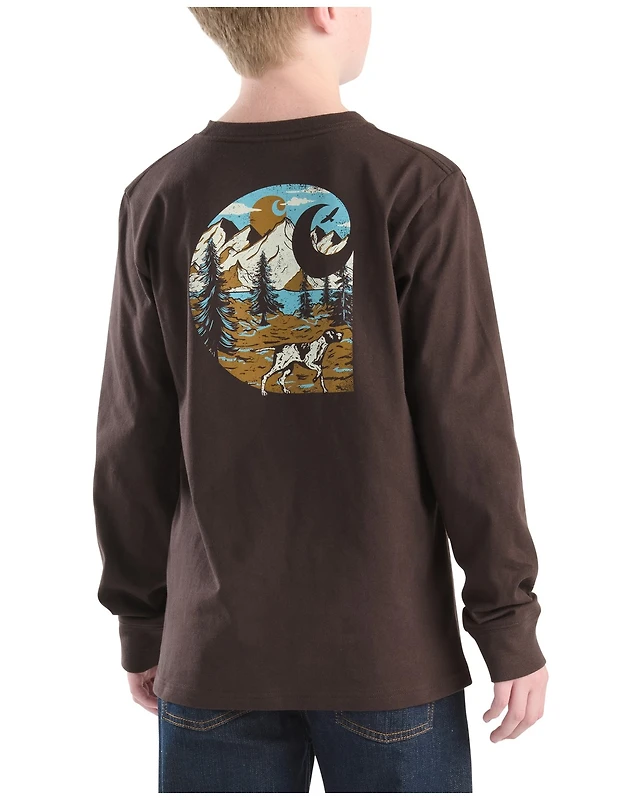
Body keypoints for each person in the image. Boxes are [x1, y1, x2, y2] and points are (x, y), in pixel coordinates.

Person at [93, 6, 548, 793]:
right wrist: (507, 622)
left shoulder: (159, 194)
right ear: (325, 8)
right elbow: (469, 427)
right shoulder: (416, 186)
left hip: (213, 659)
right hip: (387, 659)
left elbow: (131, 436)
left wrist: (143, 619)